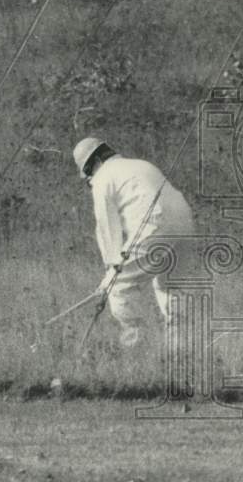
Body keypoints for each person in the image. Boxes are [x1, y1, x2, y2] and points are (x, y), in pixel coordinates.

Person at [72, 137, 195, 349]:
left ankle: (136, 347)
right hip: (185, 221)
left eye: (88, 174)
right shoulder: (141, 164)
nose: (90, 179)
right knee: (171, 287)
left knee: (118, 286)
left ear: (94, 164)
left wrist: (109, 276)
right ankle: (180, 351)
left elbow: (108, 229)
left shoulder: (102, 179)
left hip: (156, 224)